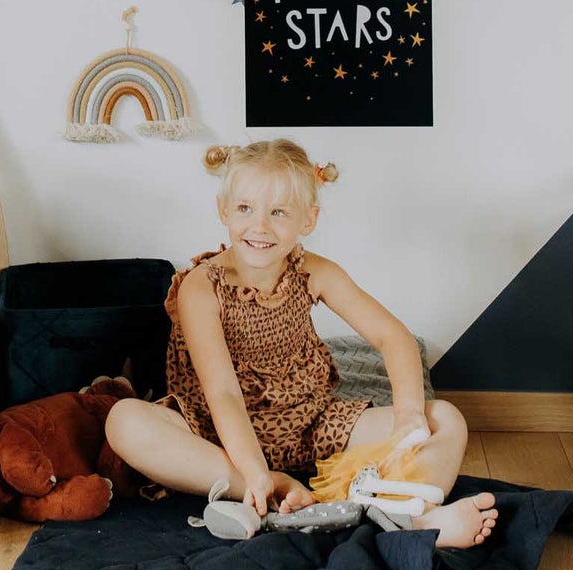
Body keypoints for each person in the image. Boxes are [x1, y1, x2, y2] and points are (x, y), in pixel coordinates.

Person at [104, 140, 499, 548]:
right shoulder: (202, 287)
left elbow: (393, 337)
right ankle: (268, 487)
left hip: (311, 425)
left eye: (278, 212)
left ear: (307, 220)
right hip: (218, 435)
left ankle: (414, 516)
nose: (259, 226)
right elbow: (222, 393)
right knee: (124, 421)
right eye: (244, 209)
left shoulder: (314, 272)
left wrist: (409, 415)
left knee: (445, 418)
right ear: (223, 210)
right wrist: (257, 471)